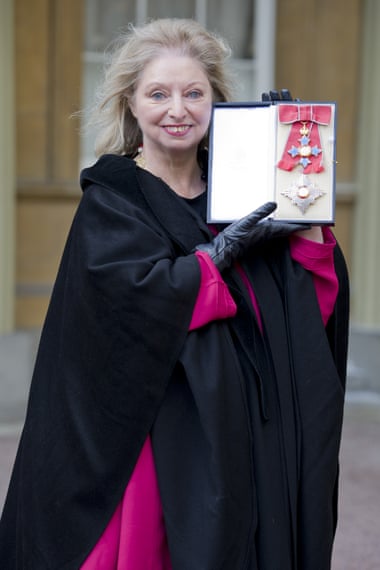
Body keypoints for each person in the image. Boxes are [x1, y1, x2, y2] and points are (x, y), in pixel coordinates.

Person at [0, 18, 349, 569]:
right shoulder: (112, 200)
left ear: (216, 103)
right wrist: (212, 260)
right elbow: (130, 308)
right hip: (157, 445)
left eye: (194, 93)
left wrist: (305, 197)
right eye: (158, 94)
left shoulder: (245, 192)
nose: (177, 109)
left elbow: (297, 312)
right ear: (131, 105)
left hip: (244, 440)